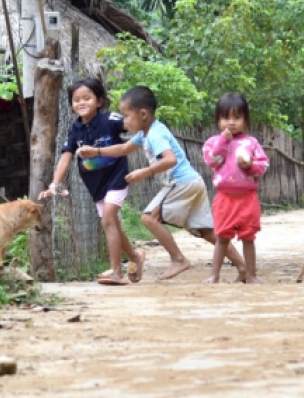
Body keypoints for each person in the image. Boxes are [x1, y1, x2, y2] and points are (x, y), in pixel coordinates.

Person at [79, 86, 247, 281]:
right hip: (193, 182)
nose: (124, 121)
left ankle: (178, 259)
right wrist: (97, 152)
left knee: (149, 218)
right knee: (206, 231)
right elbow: (124, 148)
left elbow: (170, 160)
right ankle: (242, 267)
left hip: (181, 182)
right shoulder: (145, 134)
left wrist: (146, 171)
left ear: (142, 114)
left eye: (126, 116)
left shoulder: (155, 134)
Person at [40, 78, 146, 286]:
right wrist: (54, 184)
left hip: (116, 178)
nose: (81, 103)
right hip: (95, 184)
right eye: (76, 99)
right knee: (112, 223)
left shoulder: (110, 120)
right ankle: (135, 256)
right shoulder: (75, 130)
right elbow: (66, 157)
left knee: (107, 219)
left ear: (99, 101)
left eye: (87, 98)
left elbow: (134, 124)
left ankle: (116, 270)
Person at [202, 93, 268, 284]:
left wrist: (250, 167)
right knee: (222, 237)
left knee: (248, 238)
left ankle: (251, 275)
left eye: (237, 118)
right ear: (218, 120)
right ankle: (215, 275)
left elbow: (263, 165)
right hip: (225, 198)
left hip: (248, 198)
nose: (231, 122)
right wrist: (223, 141)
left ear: (245, 119)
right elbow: (212, 161)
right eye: (226, 118)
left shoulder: (251, 143)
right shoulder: (212, 143)